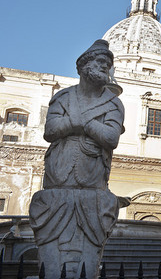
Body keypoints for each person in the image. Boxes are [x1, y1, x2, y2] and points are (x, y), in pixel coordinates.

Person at [29, 40, 124, 279]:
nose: (106, 67)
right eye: (100, 62)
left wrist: (78, 123)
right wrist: (90, 126)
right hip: (59, 171)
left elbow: (111, 138)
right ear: (83, 66)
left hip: (92, 174)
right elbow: (50, 131)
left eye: (108, 64)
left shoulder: (113, 102)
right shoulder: (62, 97)